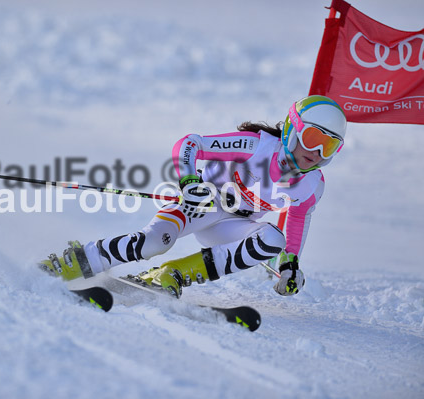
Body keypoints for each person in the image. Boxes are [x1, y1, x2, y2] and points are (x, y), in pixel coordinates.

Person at [39, 95, 347, 297]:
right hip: (202, 204)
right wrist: (188, 182)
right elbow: (190, 143)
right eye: (313, 138)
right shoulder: (256, 145)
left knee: (272, 241)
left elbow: (296, 219)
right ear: (293, 130)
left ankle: (170, 275)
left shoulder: (312, 185)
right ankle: (75, 261)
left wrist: (289, 263)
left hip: (232, 227)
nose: (317, 152)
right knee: (153, 243)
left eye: (329, 146)